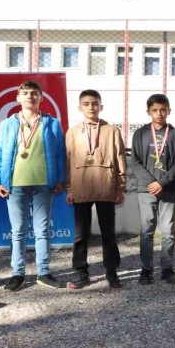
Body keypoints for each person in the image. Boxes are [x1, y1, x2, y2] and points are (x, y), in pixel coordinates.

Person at [0, 80, 66, 291]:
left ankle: (43, 272)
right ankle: (18, 274)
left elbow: (60, 152)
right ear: (18, 98)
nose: (30, 97)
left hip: (44, 184)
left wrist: (60, 178)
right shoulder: (7, 124)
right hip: (15, 184)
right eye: (25, 93)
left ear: (41, 98)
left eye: (34, 93)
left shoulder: (51, 123)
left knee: (42, 230)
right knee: (18, 231)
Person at [65, 90, 127, 290]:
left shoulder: (112, 131)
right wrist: (69, 188)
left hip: (106, 185)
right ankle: (81, 271)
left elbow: (120, 158)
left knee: (108, 233)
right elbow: (68, 161)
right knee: (80, 234)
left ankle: (111, 271)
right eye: (86, 104)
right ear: (79, 108)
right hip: (81, 186)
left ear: (101, 106)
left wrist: (120, 187)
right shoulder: (72, 132)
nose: (91, 107)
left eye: (94, 103)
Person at [131, 94, 175, 285]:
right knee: (147, 231)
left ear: (169, 110)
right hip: (146, 189)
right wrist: (151, 183)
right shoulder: (140, 134)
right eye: (155, 110)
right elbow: (135, 162)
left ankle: (167, 269)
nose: (159, 113)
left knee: (168, 230)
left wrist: (162, 183)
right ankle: (146, 270)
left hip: (168, 188)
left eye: (163, 110)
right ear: (148, 112)